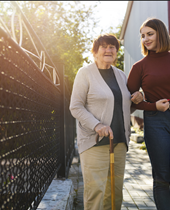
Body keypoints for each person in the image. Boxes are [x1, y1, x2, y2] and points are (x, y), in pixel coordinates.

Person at [69, 33, 143, 210]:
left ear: (116, 52)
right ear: (95, 52)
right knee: (96, 193)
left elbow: (123, 107)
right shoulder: (85, 73)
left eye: (112, 47)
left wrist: (138, 98)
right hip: (95, 143)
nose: (109, 50)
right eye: (104, 46)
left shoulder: (121, 76)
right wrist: (97, 125)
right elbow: (76, 106)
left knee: (115, 193)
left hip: (119, 143)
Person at [127, 18, 170, 210]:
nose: (145, 39)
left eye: (150, 34)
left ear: (161, 33)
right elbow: (128, 102)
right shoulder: (139, 67)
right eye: (142, 35)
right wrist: (151, 105)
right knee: (162, 177)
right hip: (156, 123)